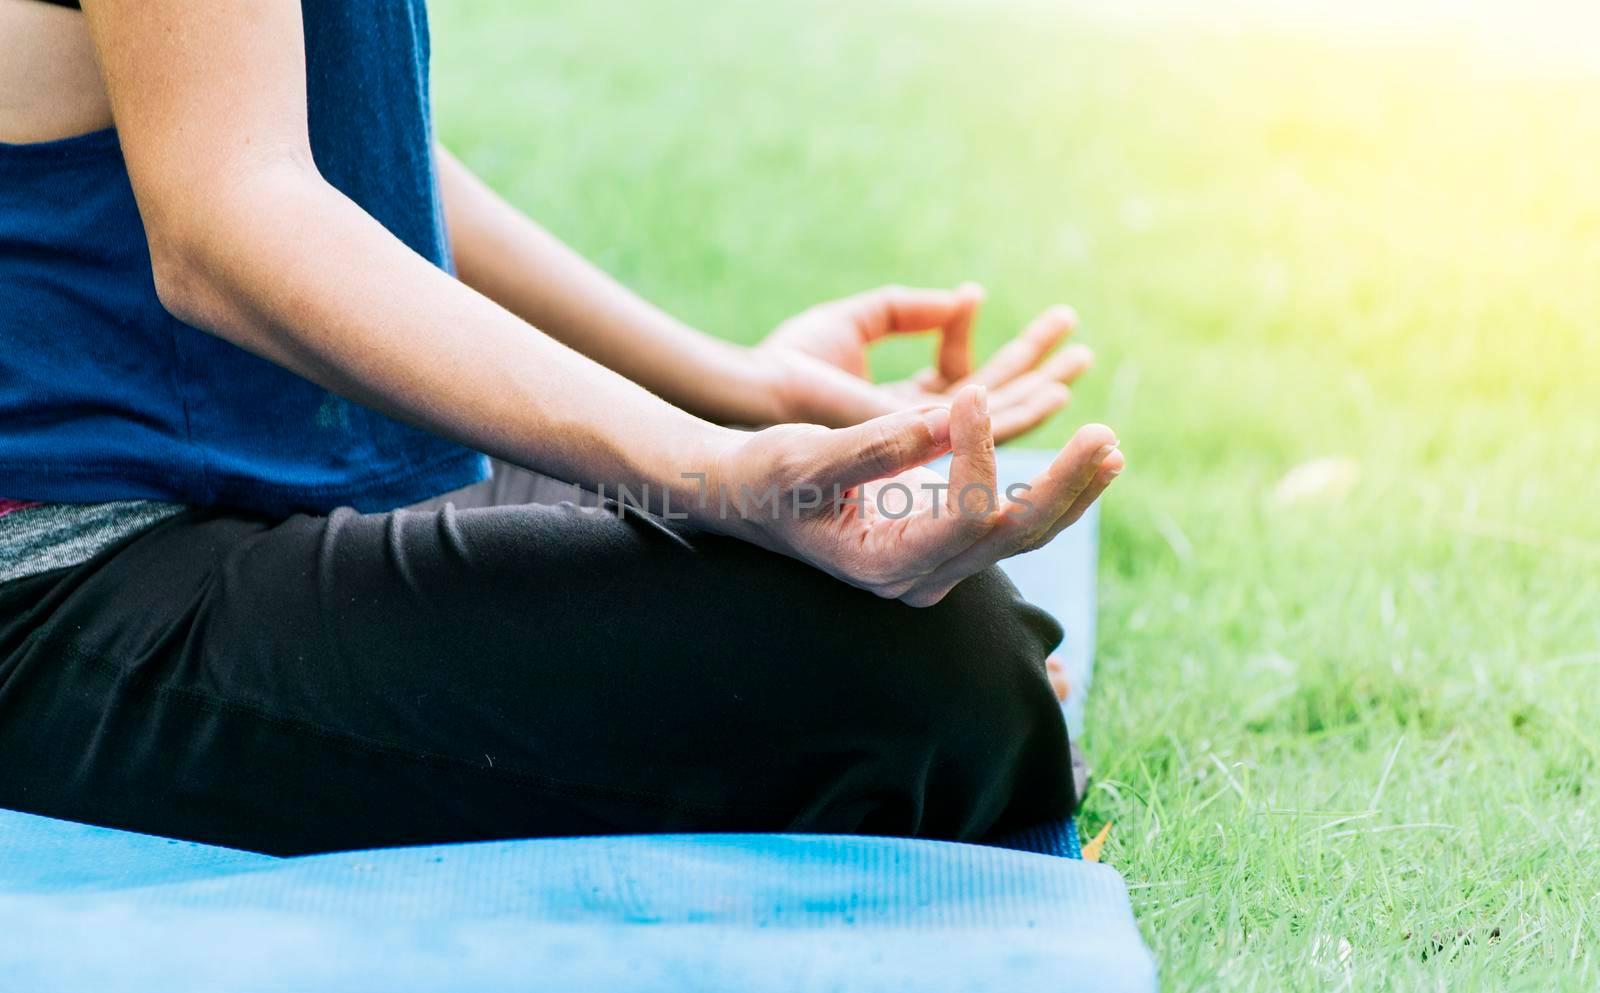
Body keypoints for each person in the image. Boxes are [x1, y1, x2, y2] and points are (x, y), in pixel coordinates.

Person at [0, 0, 1124, 856]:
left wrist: (740, 390)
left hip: (266, 481)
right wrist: (708, 467)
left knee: (896, 579)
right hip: (60, 570)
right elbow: (228, 220)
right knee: (928, 671)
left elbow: (341, 141)